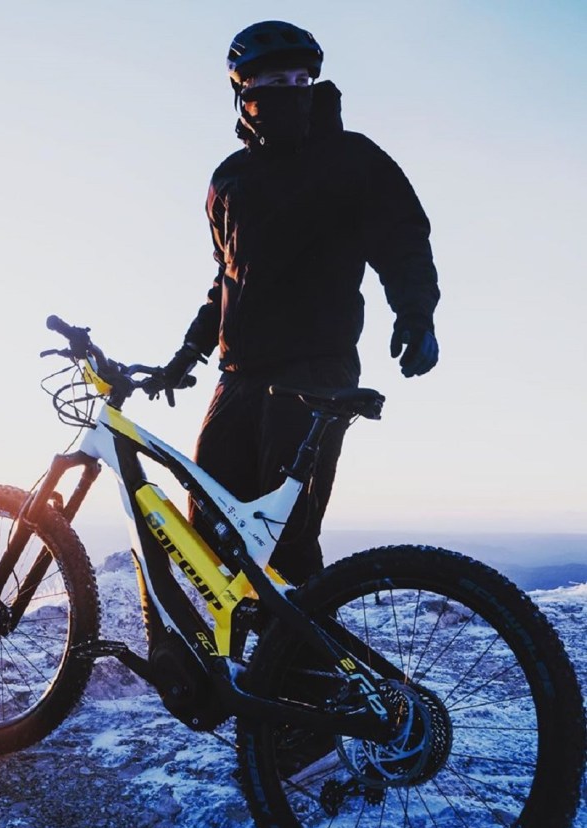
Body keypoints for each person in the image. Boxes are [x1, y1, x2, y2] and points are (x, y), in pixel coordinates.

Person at [146, 20, 440, 586]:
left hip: (315, 370)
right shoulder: (229, 179)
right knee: (210, 529)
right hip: (238, 376)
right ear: (244, 91)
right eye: (273, 80)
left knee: (285, 538)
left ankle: (307, 675)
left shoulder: (353, 158)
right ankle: (235, 672)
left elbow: (403, 241)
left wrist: (416, 313)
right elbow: (226, 278)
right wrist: (189, 352)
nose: (290, 90)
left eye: (301, 78)